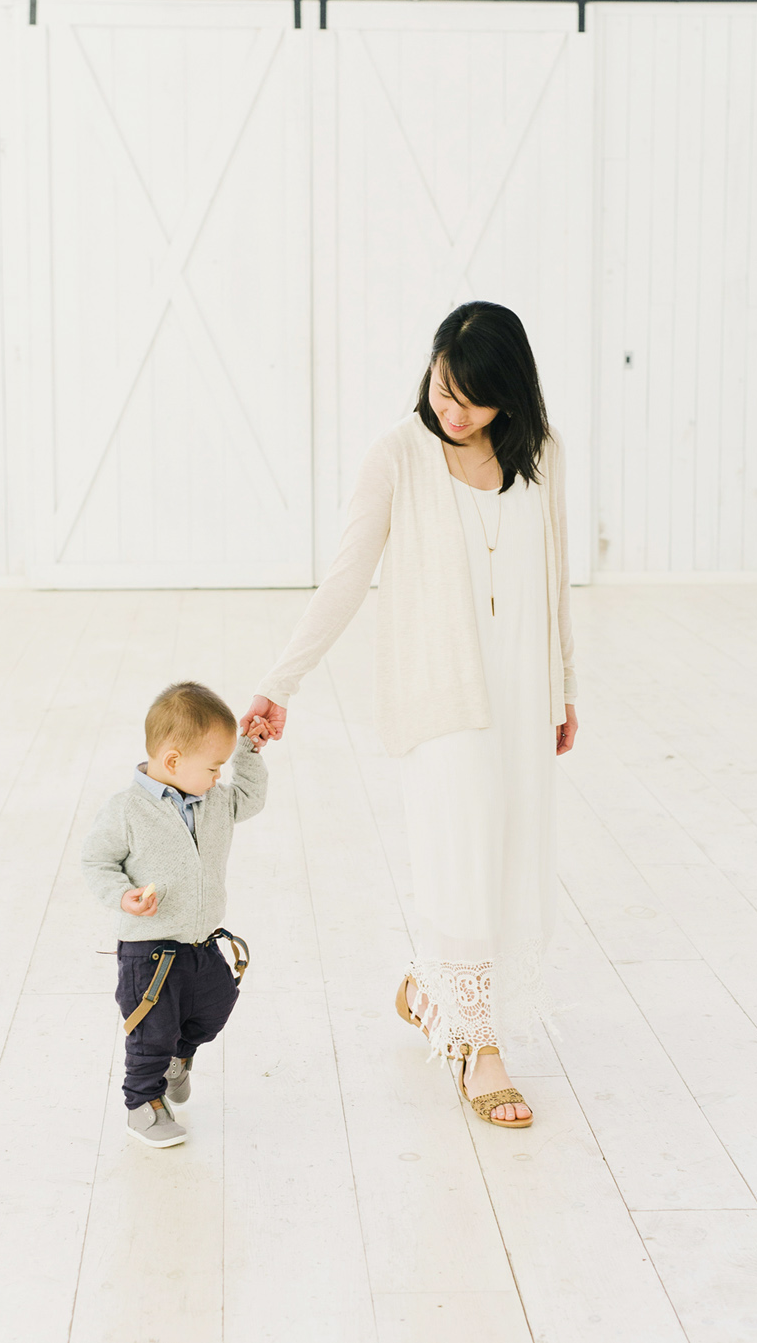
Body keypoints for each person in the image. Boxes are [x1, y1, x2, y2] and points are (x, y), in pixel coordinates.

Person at [243, 301, 579, 1129]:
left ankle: (434, 989)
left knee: (509, 850)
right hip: (444, 692)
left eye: (472, 397)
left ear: (512, 398)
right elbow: (348, 577)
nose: (449, 408)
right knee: (461, 850)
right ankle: (477, 1044)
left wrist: (564, 684)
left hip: (523, 691)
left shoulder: (541, 453)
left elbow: (556, 568)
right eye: (441, 384)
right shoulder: (397, 455)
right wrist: (280, 682)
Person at [79, 681, 270, 1149]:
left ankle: (179, 1059)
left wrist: (247, 749)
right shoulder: (126, 810)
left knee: (216, 1002)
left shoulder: (215, 800)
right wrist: (123, 896)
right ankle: (143, 1106)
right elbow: (96, 861)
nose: (218, 776)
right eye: (213, 767)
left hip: (201, 941)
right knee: (151, 1028)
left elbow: (251, 796)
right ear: (172, 762)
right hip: (150, 950)